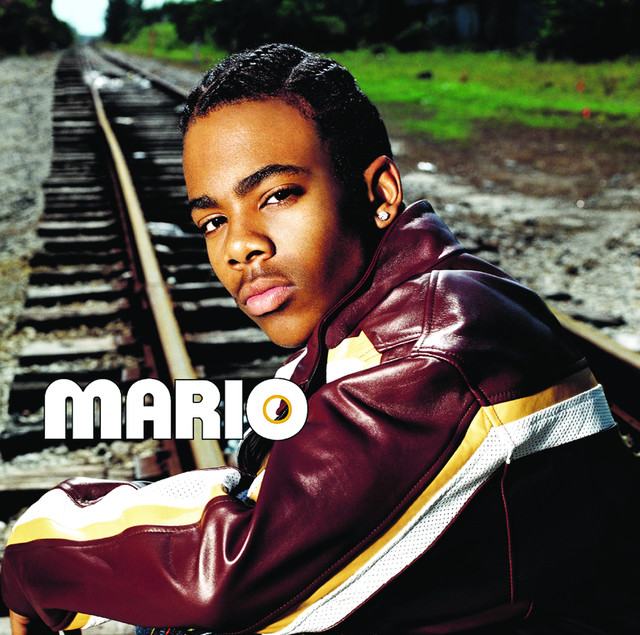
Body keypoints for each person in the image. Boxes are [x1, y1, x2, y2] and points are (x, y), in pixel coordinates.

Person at [2, 43, 640, 635]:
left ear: (379, 193)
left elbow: (225, 576)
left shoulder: (435, 348)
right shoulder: (381, 316)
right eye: (213, 220)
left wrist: (36, 549)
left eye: (277, 195)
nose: (240, 246)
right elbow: (273, 495)